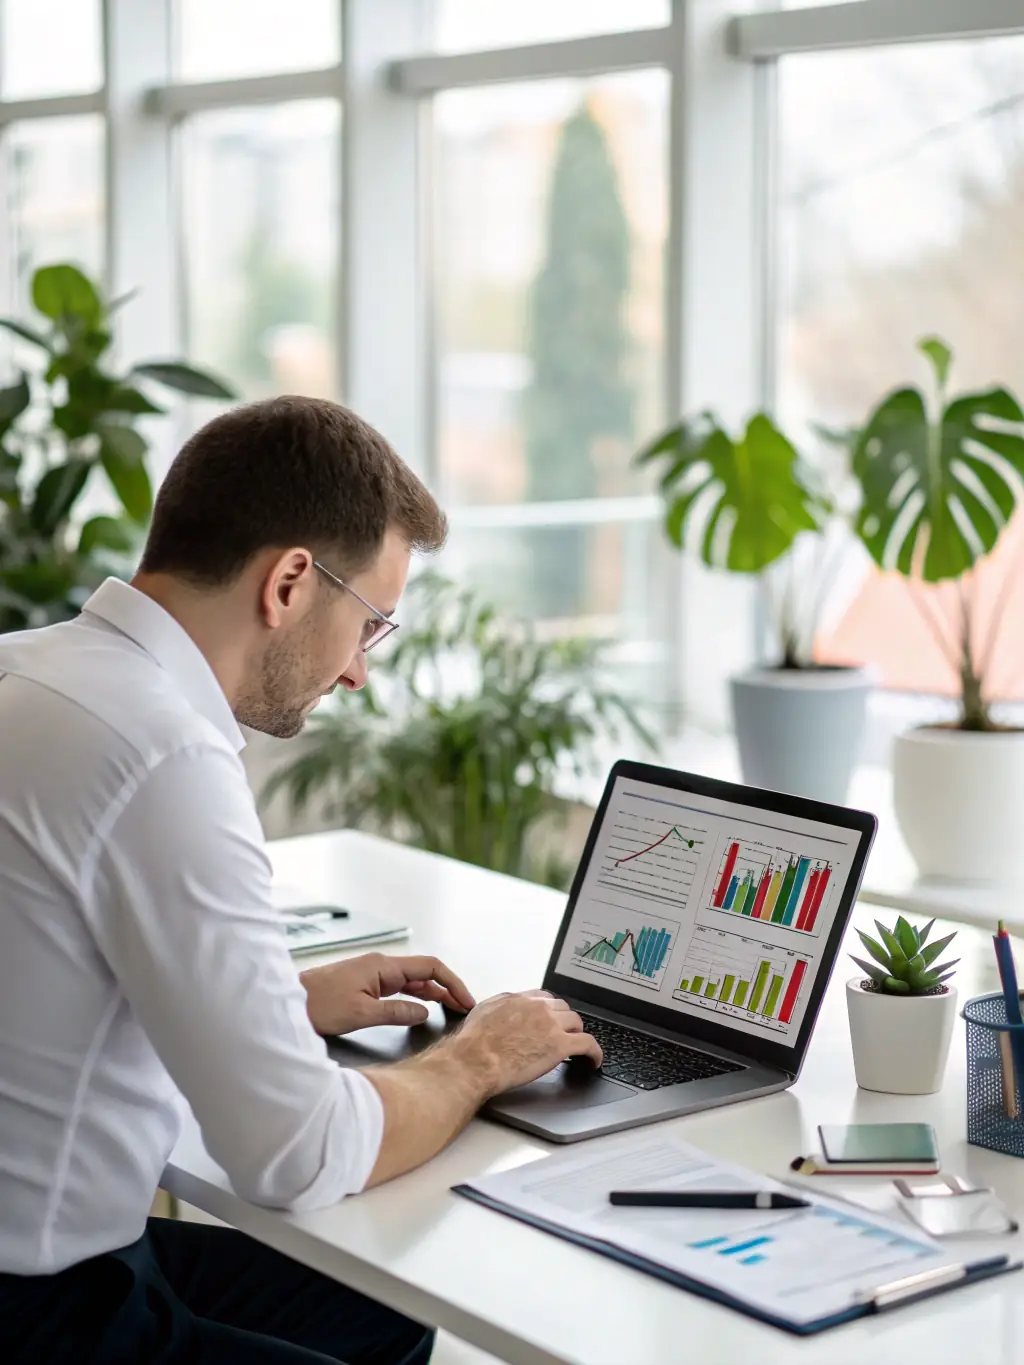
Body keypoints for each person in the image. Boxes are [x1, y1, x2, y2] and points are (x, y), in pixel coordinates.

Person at [0, 397, 602, 1365]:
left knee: (381, 1314)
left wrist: (276, 1000)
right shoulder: (163, 752)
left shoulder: (29, 669)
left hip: (42, 1252)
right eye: (369, 624)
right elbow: (295, 1154)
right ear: (287, 583)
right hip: (40, 1308)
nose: (359, 671)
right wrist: (480, 1056)